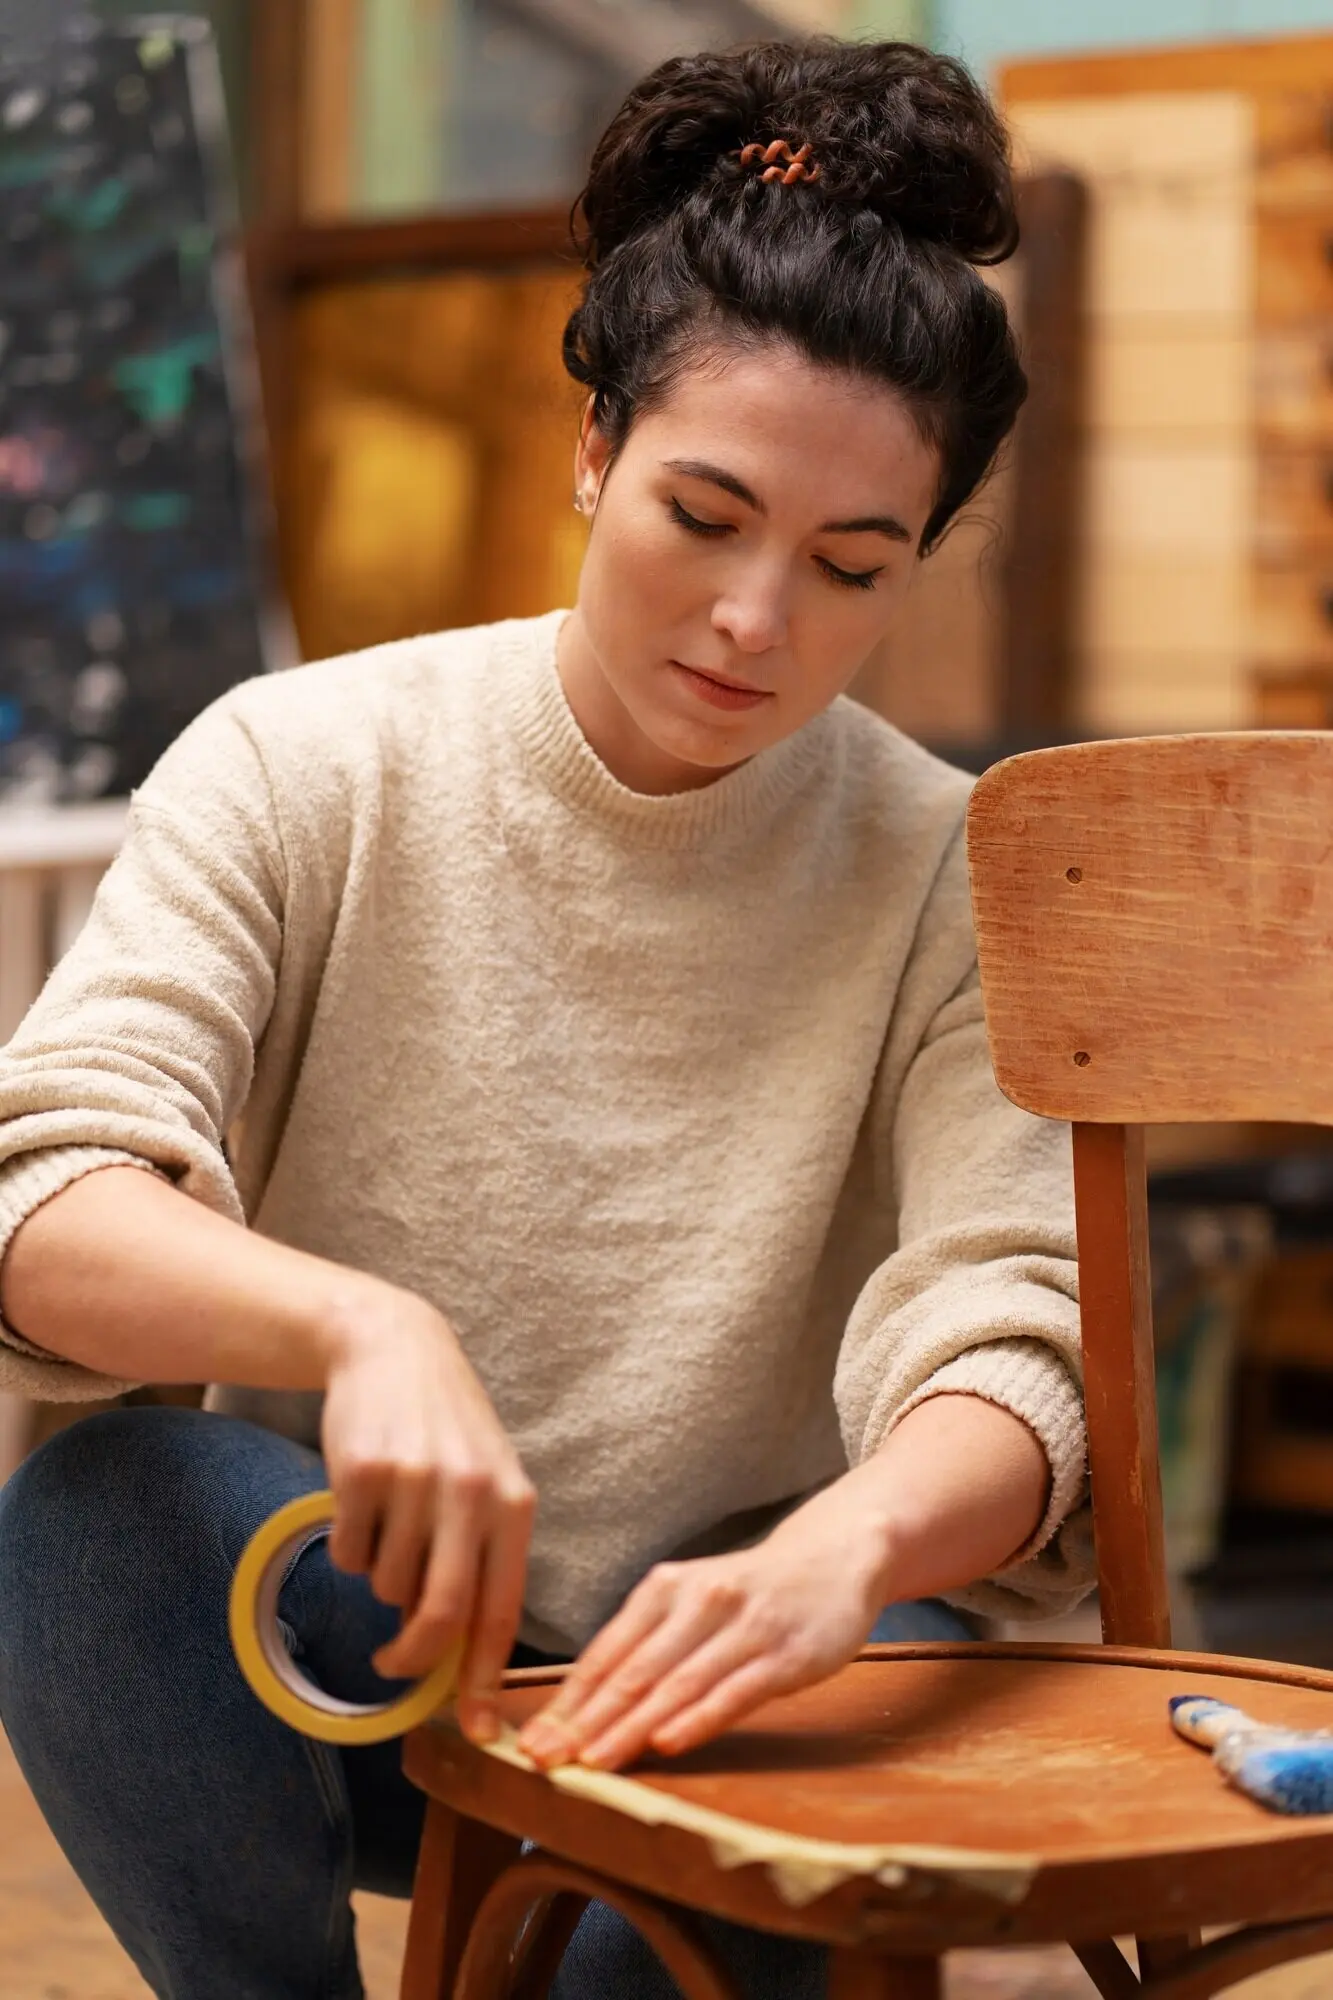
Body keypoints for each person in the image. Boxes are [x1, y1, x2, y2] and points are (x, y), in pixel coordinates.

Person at [0, 34, 1092, 2000]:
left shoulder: (951, 866)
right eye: (704, 512)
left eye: (853, 567)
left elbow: (1020, 1337)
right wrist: (356, 1323)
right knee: (104, 1518)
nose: (758, 619)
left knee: (828, 1747)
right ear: (594, 448)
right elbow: (49, 1188)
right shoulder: (305, 761)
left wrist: (851, 1545)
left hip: (749, 1658)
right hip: (370, 1643)